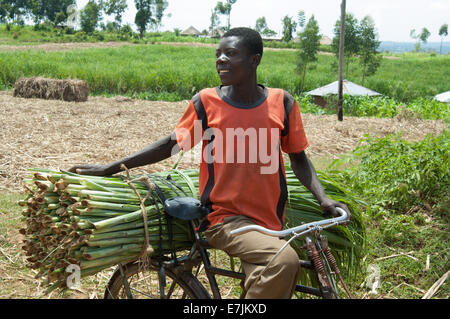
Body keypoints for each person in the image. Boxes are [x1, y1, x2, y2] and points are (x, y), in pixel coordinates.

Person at [69, 27, 350, 299]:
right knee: (284, 261)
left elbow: (299, 158)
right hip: (224, 220)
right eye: (218, 53)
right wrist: (110, 168)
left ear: (255, 60)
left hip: (271, 222)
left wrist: (323, 199)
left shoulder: (282, 103)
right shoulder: (207, 102)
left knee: (269, 277)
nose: (221, 59)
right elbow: (170, 144)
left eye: (230, 53)